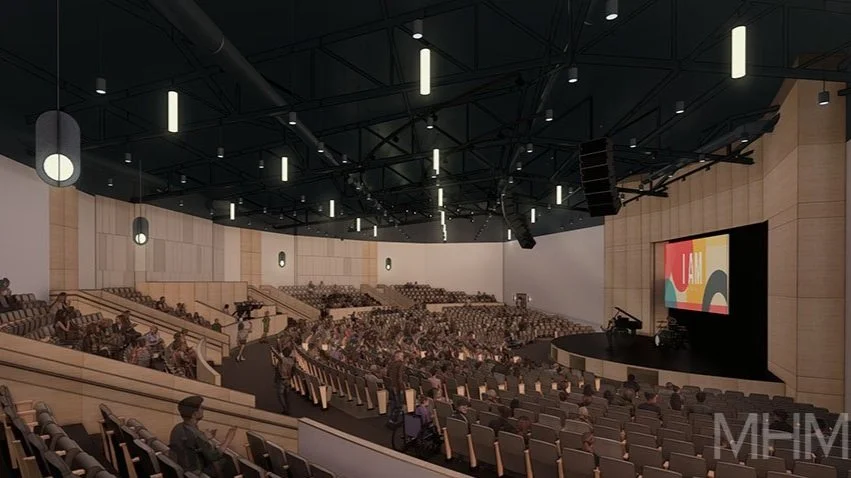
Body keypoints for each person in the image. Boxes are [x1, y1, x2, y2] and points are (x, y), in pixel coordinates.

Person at [169, 396, 236, 476]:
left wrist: (205, 437)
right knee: (225, 463)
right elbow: (214, 456)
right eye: (201, 408)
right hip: (195, 473)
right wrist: (228, 439)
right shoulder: (197, 435)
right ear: (194, 414)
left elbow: (191, 443)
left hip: (184, 471)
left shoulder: (177, 428)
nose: (203, 410)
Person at [385, 351, 406, 424]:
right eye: (402, 356)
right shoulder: (401, 364)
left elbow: (387, 374)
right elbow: (399, 377)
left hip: (390, 386)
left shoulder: (391, 364)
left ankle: (391, 419)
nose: (403, 357)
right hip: (397, 387)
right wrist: (402, 388)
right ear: (398, 356)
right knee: (399, 405)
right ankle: (394, 420)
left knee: (393, 403)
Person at [273, 346, 294, 415]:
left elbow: (277, 355)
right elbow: (293, 371)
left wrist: (271, 348)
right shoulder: (291, 361)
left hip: (281, 379)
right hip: (288, 379)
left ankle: (285, 408)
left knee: (280, 395)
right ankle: (288, 408)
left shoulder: (283, 360)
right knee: (287, 396)